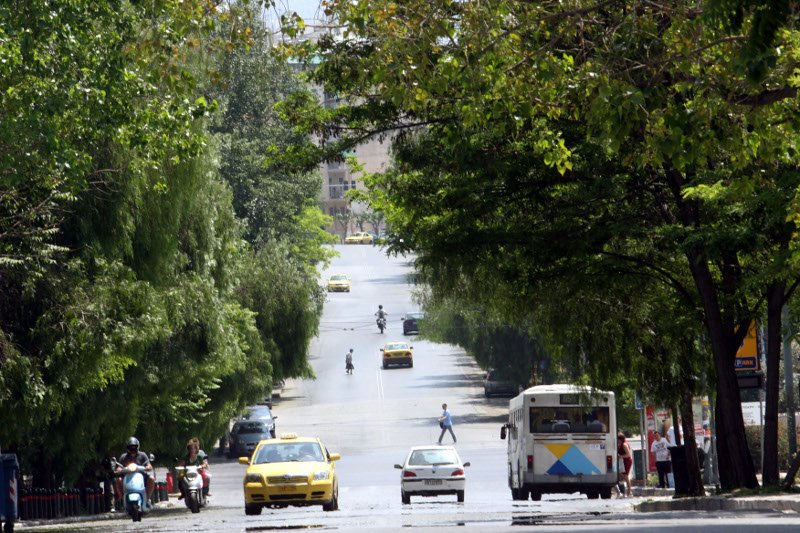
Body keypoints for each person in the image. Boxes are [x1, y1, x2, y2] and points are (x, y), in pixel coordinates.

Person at [114, 437, 155, 508]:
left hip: (141, 477)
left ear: (138, 447)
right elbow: (119, 467)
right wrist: (118, 470)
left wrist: (147, 467)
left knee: (151, 478)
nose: (133, 449)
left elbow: (149, 465)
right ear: (127, 448)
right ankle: (122, 498)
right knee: (118, 480)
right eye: (131, 447)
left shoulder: (142, 455)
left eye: (134, 447)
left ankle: (147, 499)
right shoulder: (123, 457)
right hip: (127, 478)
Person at [617, 433, 633, 497]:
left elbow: (628, 454)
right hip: (623, 461)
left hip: (627, 461)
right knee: (622, 475)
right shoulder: (620, 444)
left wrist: (621, 456)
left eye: (618, 439)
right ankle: (627, 491)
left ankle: (629, 491)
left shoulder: (624, 445)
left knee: (625, 475)